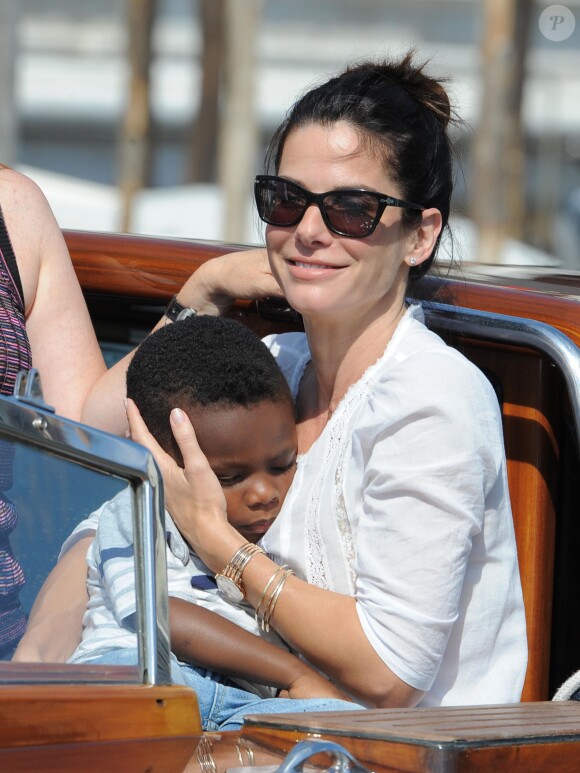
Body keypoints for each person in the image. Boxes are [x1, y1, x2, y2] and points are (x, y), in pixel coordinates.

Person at [127, 51, 528, 709]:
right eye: (286, 202)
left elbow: (388, 671)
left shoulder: (432, 399)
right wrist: (205, 286)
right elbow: (121, 430)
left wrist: (220, 544)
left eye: (351, 209)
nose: (308, 231)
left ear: (419, 235)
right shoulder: (273, 363)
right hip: (258, 730)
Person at [67, 314, 359, 731]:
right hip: (143, 672)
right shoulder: (139, 507)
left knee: (353, 726)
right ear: (162, 460)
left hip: (240, 700)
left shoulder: (288, 521)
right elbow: (166, 617)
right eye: (229, 478)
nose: (263, 493)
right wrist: (295, 676)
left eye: (281, 464)